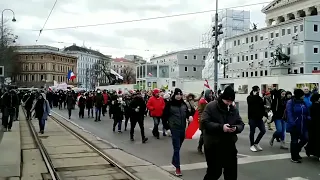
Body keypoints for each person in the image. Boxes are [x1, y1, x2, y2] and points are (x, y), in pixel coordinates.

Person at [201, 86, 245, 180]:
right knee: (214, 172)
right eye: (227, 101)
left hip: (229, 145)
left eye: (231, 101)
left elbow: (241, 123)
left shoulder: (233, 109)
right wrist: (221, 127)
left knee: (231, 174)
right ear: (222, 98)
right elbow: (205, 122)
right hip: (213, 145)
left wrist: (236, 128)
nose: (229, 103)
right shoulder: (211, 106)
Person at [162, 88, 192, 176]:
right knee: (176, 148)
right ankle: (178, 168)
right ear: (174, 95)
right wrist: (167, 128)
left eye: (180, 94)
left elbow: (188, 113)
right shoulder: (169, 104)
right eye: (177, 94)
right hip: (174, 128)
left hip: (183, 128)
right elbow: (164, 117)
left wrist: (189, 116)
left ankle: (174, 161)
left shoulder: (184, 104)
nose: (179, 96)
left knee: (178, 147)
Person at [286, 89, 309, 163]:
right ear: (299, 95)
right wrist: (292, 123)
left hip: (303, 124)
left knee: (305, 138)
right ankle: (294, 157)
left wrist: (308, 117)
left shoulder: (303, 102)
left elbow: (306, 112)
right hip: (295, 124)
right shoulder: (291, 102)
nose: (304, 96)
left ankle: (296, 151)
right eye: (302, 95)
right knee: (294, 141)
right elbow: (289, 113)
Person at [247, 85, 267, 152]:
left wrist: (265, 115)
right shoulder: (249, 98)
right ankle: (252, 145)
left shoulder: (259, 98)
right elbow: (251, 102)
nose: (258, 92)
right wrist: (255, 96)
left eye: (258, 90)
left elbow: (262, 107)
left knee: (263, 130)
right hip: (252, 118)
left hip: (259, 118)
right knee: (252, 132)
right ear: (253, 91)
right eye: (256, 90)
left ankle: (256, 143)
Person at [197, 89, 213, 154]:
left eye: (211, 94)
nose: (211, 95)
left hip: (210, 121)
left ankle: (208, 148)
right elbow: (200, 111)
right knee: (203, 135)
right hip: (204, 121)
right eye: (210, 94)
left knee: (210, 136)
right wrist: (203, 118)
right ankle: (200, 147)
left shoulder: (211, 101)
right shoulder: (202, 101)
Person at [305, 93, 320, 160]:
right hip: (316, 124)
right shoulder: (317, 106)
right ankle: (315, 152)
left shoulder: (311, 106)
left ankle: (309, 149)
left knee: (313, 138)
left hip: (312, 124)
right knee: (317, 139)